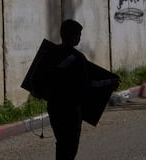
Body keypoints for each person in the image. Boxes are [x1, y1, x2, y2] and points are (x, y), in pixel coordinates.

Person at [36, 19, 119, 160]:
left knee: (61, 143)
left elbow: (38, 77)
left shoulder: (49, 53)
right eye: (79, 35)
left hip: (54, 108)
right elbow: (87, 85)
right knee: (70, 147)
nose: (80, 38)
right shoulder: (78, 58)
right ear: (73, 37)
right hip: (71, 111)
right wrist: (109, 82)